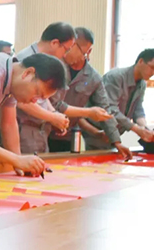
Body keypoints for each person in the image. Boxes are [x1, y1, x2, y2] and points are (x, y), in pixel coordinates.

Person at [16, 23, 112, 153]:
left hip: (40, 133)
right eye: (66, 50)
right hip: (23, 131)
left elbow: (45, 100)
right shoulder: (26, 59)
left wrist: (54, 115)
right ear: (55, 43)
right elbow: (22, 101)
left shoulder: (44, 61)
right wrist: (52, 117)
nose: (65, 55)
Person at [47, 28, 130, 158]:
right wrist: (88, 112)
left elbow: (105, 109)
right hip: (43, 132)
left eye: (72, 47)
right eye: (67, 47)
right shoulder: (55, 66)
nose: (66, 52)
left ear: (88, 51)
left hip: (66, 137)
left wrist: (117, 142)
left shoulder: (93, 78)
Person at [84, 48, 154, 150]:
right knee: (94, 159)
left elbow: (137, 109)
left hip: (115, 133)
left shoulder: (142, 84)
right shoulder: (115, 77)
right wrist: (136, 129)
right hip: (98, 131)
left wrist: (144, 127)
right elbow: (110, 109)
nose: (153, 73)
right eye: (152, 67)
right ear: (140, 61)